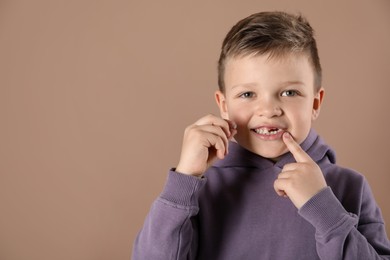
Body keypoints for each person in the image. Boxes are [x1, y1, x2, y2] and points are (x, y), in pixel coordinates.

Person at [132, 11, 390, 259]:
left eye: (289, 92)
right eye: (247, 94)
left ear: (315, 103)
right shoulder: (199, 189)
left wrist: (322, 208)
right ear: (223, 105)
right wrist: (184, 179)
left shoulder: (350, 187)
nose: (268, 110)